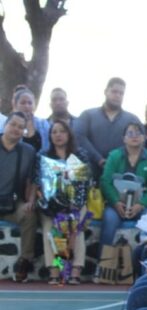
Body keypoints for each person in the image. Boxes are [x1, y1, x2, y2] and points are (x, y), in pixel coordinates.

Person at [37, 120, 92, 285]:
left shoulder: (80, 154)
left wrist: (75, 203)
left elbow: (86, 180)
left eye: (62, 131)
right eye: (54, 132)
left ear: (68, 134)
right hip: (51, 206)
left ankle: (76, 269)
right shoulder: (44, 156)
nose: (58, 135)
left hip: (76, 203)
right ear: (50, 136)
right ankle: (56, 270)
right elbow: (38, 180)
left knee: (78, 226)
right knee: (50, 230)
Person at [99, 123, 147, 247]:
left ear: (144, 138)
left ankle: (144, 258)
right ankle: (103, 261)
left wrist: (141, 204)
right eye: (130, 133)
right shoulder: (114, 156)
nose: (134, 136)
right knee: (109, 220)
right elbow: (105, 182)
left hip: (142, 203)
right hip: (116, 203)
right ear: (124, 138)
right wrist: (115, 202)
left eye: (138, 133)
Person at [0, 113, 39, 283]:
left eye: (20, 127)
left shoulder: (28, 151)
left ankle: (25, 262)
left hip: (12, 203)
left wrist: (30, 200)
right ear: (5, 125)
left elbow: (31, 180)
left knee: (29, 214)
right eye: (13, 124)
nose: (16, 129)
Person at [75, 77, 141, 174]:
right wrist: (99, 159)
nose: (117, 95)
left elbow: (139, 144)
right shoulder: (88, 115)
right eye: (114, 91)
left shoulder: (132, 119)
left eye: (121, 93)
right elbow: (79, 137)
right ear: (106, 91)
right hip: (92, 173)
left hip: (122, 175)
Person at [12, 87, 51, 152]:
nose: (27, 106)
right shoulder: (8, 124)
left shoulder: (43, 123)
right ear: (15, 105)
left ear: (34, 105)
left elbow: (48, 146)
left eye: (30, 103)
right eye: (23, 103)